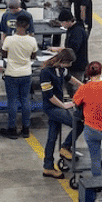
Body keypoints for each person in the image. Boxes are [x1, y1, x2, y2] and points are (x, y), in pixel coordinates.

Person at [37, 48, 78, 178]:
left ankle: (48, 167)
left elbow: (70, 78)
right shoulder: (46, 72)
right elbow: (49, 96)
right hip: (52, 107)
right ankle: (65, 147)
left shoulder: (60, 69)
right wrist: (64, 106)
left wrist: (86, 87)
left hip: (58, 105)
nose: (69, 66)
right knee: (77, 123)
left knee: (52, 137)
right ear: (63, 60)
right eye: (69, 63)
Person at [0, 13, 38, 139]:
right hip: (26, 73)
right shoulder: (32, 40)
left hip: (11, 74)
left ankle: (12, 128)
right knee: (25, 100)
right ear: (27, 26)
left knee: (12, 101)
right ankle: (26, 128)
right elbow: (33, 56)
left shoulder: (9, 40)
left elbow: (4, 54)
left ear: (16, 25)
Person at [57, 7, 89, 81]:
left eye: (62, 23)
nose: (62, 25)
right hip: (72, 64)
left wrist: (59, 49)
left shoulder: (77, 32)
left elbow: (73, 48)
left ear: (68, 21)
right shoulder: (71, 29)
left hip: (77, 66)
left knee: (76, 88)